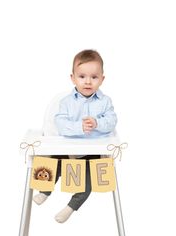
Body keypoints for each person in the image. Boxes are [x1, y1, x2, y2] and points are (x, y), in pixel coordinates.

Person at [33, 49, 117, 223]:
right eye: (82, 76)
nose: (88, 81)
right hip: (66, 148)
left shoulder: (105, 102)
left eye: (94, 77)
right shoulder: (66, 102)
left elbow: (112, 121)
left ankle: (70, 208)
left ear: (102, 79)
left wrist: (97, 123)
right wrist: (79, 126)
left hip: (90, 153)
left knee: (87, 183)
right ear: (73, 78)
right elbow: (61, 124)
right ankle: (44, 192)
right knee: (50, 164)